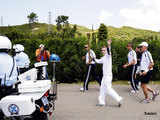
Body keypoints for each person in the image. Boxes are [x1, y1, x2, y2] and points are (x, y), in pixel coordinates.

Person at [94, 40, 123, 107]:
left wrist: (109, 45)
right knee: (102, 89)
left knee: (108, 89)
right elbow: (98, 61)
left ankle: (119, 99)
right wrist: (93, 58)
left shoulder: (108, 56)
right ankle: (102, 102)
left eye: (104, 50)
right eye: (102, 50)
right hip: (104, 76)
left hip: (108, 76)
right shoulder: (103, 58)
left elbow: (109, 51)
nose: (102, 51)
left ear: (106, 50)